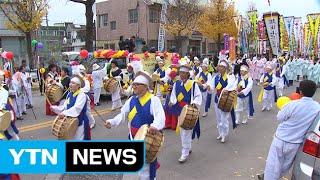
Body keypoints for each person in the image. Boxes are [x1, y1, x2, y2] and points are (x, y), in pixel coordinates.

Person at [105, 71, 165, 180]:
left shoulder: (153, 100)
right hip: (133, 138)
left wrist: (155, 126)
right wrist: (112, 122)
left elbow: (160, 116)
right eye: (134, 84)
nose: (134, 86)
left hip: (147, 139)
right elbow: (123, 114)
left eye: (137, 85)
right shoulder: (132, 100)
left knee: (145, 171)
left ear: (145, 86)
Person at [258, 80, 320, 180]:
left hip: (281, 139)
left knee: (273, 165)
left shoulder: (292, 104)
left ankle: (269, 177)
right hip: (295, 143)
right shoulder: (317, 108)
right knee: (285, 166)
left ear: (300, 91)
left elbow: (280, 117)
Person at [169, 62, 202, 163]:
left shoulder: (192, 84)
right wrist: (172, 101)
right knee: (184, 132)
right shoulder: (177, 83)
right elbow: (174, 95)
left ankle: (184, 152)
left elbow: (198, 95)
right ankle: (188, 147)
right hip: (180, 110)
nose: (181, 74)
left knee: (185, 132)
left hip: (189, 110)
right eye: (180, 72)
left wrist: (194, 103)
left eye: (184, 73)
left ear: (188, 74)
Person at [50, 75, 91, 140]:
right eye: (70, 82)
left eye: (73, 83)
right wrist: (56, 108)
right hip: (70, 122)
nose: (70, 84)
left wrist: (64, 113)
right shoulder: (69, 94)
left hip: (80, 121)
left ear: (78, 86)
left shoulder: (82, 95)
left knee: (79, 139)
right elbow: (65, 106)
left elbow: (77, 108)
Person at [210, 60, 237, 143]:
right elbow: (211, 86)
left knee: (224, 118)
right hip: (217, 99)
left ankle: (224, 134)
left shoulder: (229, 77)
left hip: (225, 100)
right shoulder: (216, 77)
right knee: (218, 118)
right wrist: (207, 87)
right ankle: (220, 133)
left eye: (222, 67)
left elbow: (232, 86)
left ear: (225, 68)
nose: (220, 68)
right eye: (219, 66)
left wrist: (226, 89)